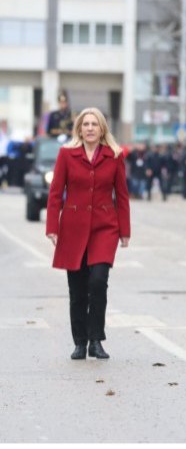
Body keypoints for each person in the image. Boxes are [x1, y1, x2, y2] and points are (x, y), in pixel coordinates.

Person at [45, 107, 131, 360]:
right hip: (73, 227)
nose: (90, 128)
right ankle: (80, 342)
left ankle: (96, 340)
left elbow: (122, 196)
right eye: (86, 124)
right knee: (78, 288)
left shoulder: (114, 156)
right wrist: (52, 227)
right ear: (79, 129)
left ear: (102, 128)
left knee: (98, 281)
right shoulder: (67, 155)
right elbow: (55, 193)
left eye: (95, 124)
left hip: (105, 227)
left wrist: (125, 231)